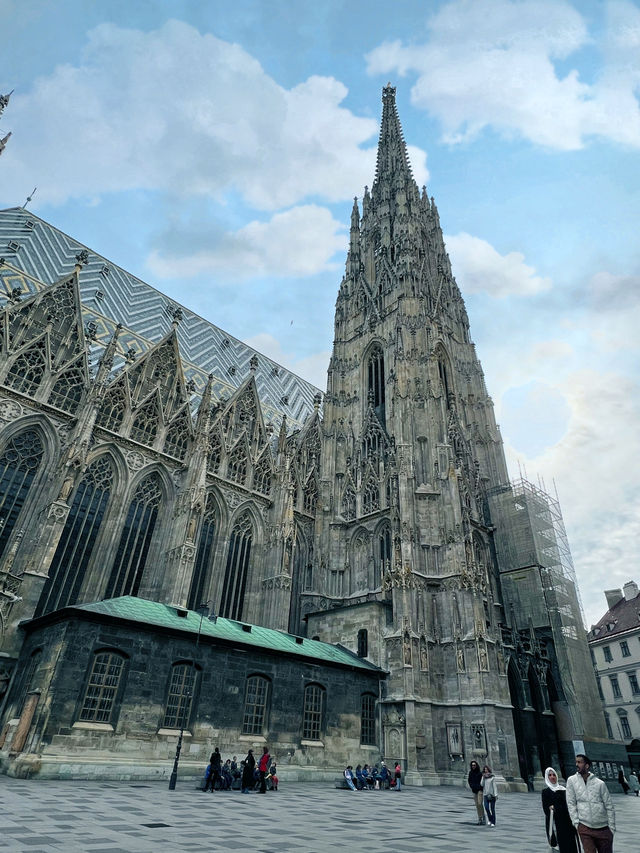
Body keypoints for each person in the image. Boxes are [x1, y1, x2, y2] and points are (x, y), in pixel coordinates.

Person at [566, 753, 616, 853]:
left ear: (587, 765)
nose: (577, 764)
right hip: (585, 827)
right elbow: (571, 803)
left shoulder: (600, 783)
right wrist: (576, 823)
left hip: (603, 828)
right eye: (576, 762)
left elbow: (609, 806)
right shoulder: (571, 781)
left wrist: (611, 828)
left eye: (579, 762)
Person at [541, 767, 580, 852]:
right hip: (555, 823)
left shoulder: (564, 790)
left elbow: (570, 804)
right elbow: (546, 810)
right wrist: (553, 809)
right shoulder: (545, 792)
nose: (552, 777)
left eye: (554, 775)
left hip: (567, 822)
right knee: (560, 846)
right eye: (550, 775)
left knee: (571, 845)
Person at [468, 759, 484, 825]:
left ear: (476, 765)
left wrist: (479, 787)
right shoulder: (470, 773)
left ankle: (482, 815)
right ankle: (480, 818)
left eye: (474, 765)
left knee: (480, 803)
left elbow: (482, 782)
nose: (473, 766)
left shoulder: (480, 773)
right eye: (472, 765)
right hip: (474, 790)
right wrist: (472, 786)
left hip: (480, 790)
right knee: (477, 805)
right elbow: (469, 781)